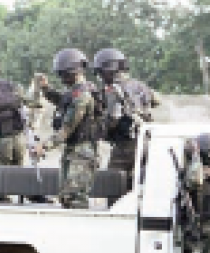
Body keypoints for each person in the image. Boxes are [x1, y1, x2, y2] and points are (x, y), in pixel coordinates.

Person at [0, 53, 46, 203]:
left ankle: (3, 207)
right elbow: (34, 103)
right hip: (18, 140)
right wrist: (38, 88)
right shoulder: (11, 86)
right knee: (17, 174)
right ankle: (30, 196)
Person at [32, 48, 101, 209]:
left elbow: (66, 130)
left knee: (75, 199)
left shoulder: (82, 95)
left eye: (64, 74)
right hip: (73, 151)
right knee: (66, 198)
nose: (62, 78)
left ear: (73, 72)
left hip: (82, 154)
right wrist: (46, 89)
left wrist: (44, 146)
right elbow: (63, 100)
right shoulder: (75, 92)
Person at [93, 49, 153, 195]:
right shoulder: (140, 86)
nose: (101, 77)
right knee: (139, 184)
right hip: (147, 141)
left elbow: (114, 117)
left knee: (113, 184)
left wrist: (100, 133)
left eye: (101, 72)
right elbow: (156, 101)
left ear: (110, 69)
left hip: (126, 145)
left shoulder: (113, 89)